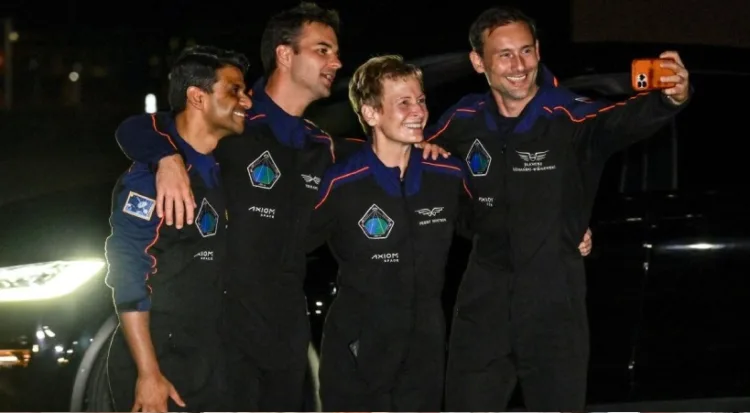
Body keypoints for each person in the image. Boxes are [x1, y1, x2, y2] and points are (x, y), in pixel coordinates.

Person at [111, 3, 445, 410]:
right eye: (322, 50)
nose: (336, 62)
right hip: (223, 341)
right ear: (285, 55)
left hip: (286, 337)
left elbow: (375, 155)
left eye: (336, 52)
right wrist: (165, 157)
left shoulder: (319, 146)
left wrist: (418, 143)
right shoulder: (233, 122)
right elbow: (142, 126)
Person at [424, 6, 692, 411]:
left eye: (526, 51)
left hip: (553, 303)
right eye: (505, 55)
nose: (519, 66)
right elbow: (419, 156)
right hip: (483, 301)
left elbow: (620, 119)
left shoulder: (569, 115)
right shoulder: (463, 118)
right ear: (479, 62)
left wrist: (671, 99)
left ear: (538, 51)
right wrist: (425, 157)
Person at [307, 55, 476, 411]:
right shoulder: (341, 183)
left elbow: (489, 226)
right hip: (358, 348)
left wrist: (569, 231)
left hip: (425, 349)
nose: (418, 111)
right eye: (403, 103)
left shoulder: (446, 174)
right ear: (371, 113)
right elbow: (288, 247)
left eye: (421, 100)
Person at [104, 45, 251, 413]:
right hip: (161, 363)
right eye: (235, 90)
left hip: (207, 359)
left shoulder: (216, 166)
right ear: (198, 97)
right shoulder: (149, 181)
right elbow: (129, 275)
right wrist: (148, 374)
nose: (247, 101)